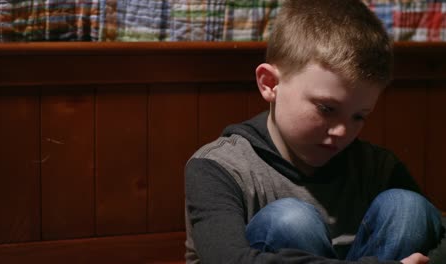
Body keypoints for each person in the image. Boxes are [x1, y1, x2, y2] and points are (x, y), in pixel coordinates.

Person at [184, 0, 444, 263]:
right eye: (327, 108)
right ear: (270, 84)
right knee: (291, 221)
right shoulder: (219, 167)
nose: (343, 131)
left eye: (359, 116)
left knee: (407, 208)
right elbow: (227, 258)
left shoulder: (375, 166)